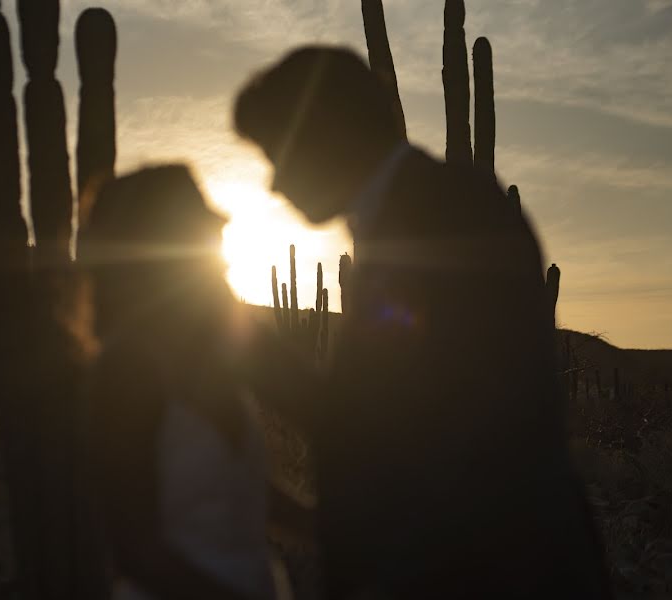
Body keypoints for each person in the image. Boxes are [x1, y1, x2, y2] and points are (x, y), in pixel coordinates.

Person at [234, 46, 612, 598]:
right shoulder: (415, 211)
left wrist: (256, 358)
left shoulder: (443, 214)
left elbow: (413, 426)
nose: (272, 184)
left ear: (324, 133)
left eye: (276, 155)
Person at [81, 165, 289, 600]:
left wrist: (316, 522)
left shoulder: (218, 352)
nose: (218, 244)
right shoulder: (126, 371)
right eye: (201, 232)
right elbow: (135, 547)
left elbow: (232, 490)